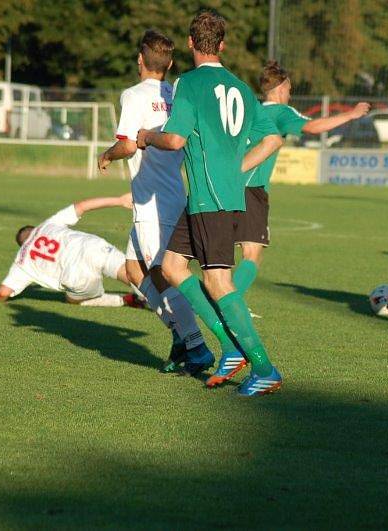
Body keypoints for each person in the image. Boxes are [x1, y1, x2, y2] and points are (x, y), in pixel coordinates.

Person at [137, 9, 284, 396]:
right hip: (214, 195)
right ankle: (232, 348)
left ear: (189, 44)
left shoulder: (188, 83)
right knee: (170, 266)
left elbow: (175, 139)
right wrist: (236, 170)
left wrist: (147, 136)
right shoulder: (239, 86)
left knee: (217, 281)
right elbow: (272, 140)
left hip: (211, 198)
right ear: (222, 45)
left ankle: (265, 367)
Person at [98, 29, 213, 375]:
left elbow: (130, 145)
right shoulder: (177, 92)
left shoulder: (133, 95)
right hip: (167, 196)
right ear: (170, 63)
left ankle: (197, 345)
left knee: (165, 275)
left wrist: (107, 154)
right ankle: (181, 337)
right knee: (134, 271)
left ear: (139, 60)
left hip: (154, 205)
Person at [231, 60, 371, 298]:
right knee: (252, 255)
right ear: (281, 88)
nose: (290, 94)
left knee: (220, 257)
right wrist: (351, 114)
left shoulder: (250, 109)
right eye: (289, 88)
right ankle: (228, 306)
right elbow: (314, 127)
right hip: (250, 188)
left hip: (225, 182)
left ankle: (222, 301)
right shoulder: (280, 112)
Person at [0, 194, 145, 307]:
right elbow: (83, 206)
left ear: (22, 245)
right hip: (92, 247)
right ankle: (164, 297)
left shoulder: (22, 260)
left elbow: (2, 293)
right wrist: (119, 200)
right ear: (34, 229)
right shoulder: (47, 225)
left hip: (77, 275)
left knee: (72, 300)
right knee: (133, 276)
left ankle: (124, 300)